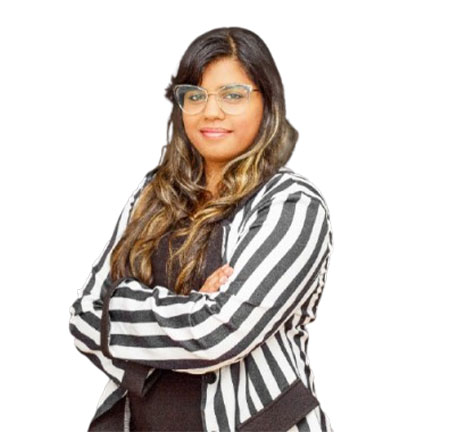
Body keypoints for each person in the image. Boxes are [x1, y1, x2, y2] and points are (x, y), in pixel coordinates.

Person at [69, 26, 334, 432]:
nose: (211, 112)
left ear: (268, 103)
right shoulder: (153, 194)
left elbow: (219, 333)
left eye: (233, 95)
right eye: (195, 96)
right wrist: (192, 306)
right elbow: (84, 317)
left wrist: (125, 312)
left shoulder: (292, 204)